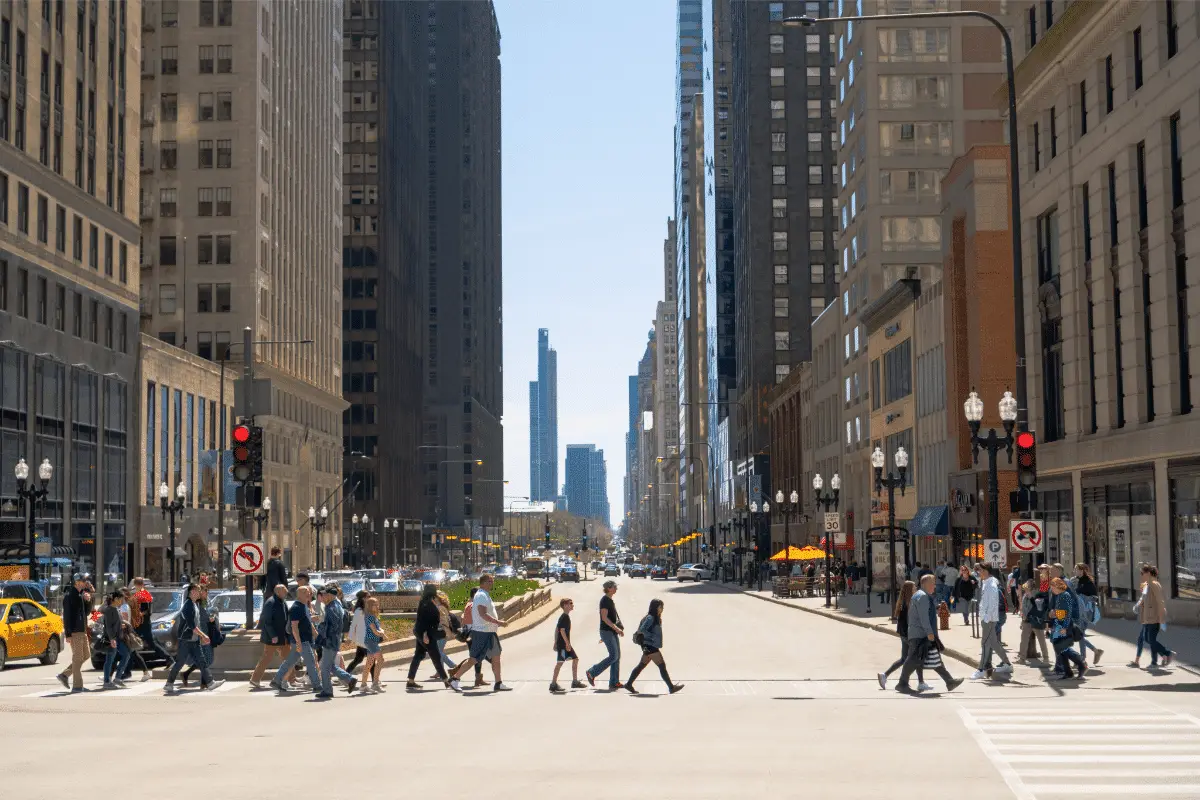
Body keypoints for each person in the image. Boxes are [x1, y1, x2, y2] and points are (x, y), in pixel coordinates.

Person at [894, 574, 963, 694]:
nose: (934, 586)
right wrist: (929, 632)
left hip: (921, 634)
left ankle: (949, 681)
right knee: (912, 659)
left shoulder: (920, 595)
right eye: (932, 583)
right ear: (925, 584)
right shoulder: (923, 597)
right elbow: (923, 617)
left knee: (935, 658)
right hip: (920, 635)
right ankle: (902, 683)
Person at [450, 573, 511, 691]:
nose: (491, 583)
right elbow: (482, 614)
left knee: (496, 657)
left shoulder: (485, 595)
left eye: (492, 581)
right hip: (482, 632)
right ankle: (455, 679)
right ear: (482, 583)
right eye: (489, 581)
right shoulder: (481, 595)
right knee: (474, 659)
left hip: (490, 633)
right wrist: (499, 622)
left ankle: (498, 683)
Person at [164, 584, 223, 693]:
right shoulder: (188, 606)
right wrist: (203, 635)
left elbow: (197, 624)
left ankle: (210, 683)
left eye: (200, 590)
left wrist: (200, 636)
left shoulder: (194, 604)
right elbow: (192, 626)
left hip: (194, 640)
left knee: (202, 661)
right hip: (186, 639)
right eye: (198, 590)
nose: (200, 592)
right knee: (180, 663)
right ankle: (169, 683)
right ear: (192, 592)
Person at [877, 581, 929, 692]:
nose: (916, 588)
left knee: (905, 659)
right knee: (915, 658)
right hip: (909, 634)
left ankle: (884, 675)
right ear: (910, 589)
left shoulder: (902, 602)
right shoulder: (910, 603)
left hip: (903, 634)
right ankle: (920, 682)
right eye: (914, 587)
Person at [625, 599, 684, 694]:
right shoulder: (650, 618)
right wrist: (652, 637)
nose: (662, 609)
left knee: (641, 666)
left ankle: (628, 684)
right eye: (661, 607)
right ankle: (671, 687)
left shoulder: (654, 617)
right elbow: (642, 630)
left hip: (648, 645)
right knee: (662, 666)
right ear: (656, 607)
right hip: (650, 645)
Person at [407, 584, 458, 692]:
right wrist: (425, 635)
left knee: (419, 655)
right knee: (435, 656)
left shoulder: (424, 602)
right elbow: (426, 621)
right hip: (426, 633)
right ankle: (446, 681)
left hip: (420, 631)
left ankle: (410, 681)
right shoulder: (428, 604)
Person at [273, 585, 320, 695]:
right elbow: (294, 627)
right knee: (311, 662)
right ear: (299, 594)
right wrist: (298, 642)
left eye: (309, 592)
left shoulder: (303, 606)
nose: (309, 594)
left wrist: (317, 635)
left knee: (290, 662)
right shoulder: (296, 607)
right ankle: (317, 685)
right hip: (302, 641)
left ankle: (277, 680)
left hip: (303, 640)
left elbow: (308, 623)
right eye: (305, 592)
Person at [972, 563, 1013, 680]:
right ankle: (1007, 664)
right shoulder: (986, 583)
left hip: (989, 620)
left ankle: (981, 669)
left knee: (985, 643)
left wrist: (987, 618)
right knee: (994, 643)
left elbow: (993, 603)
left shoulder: (991, 585)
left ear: (985, 571)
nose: (977, 572)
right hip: (987, 619)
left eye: (979, 570)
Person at [315, 585, 355, 699]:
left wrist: (323, 630)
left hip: (330, 641)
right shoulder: (337, 605)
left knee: (325, 668)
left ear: (330, 595)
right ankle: (350, 679)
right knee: (330, 665)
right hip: (334, 639)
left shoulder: (331, 607)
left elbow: (333, 625)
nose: (323, 596)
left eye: (325, 595)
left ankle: (327, 691)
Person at [1130, 565, 1173, 669]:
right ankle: (1156, 660)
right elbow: (1143, 597)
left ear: (1148, 573)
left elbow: (1160, 601)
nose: (1141, 576)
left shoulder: (1154, 584)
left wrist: (1162, 615)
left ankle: (1166, 654)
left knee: (1149, 639)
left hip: (1153, 617)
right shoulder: (1147, 585)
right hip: (1147, 617)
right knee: (1149, 639)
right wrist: (1137, 605)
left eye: (1142, 573)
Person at [56, 573, 93, 692]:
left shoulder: (80, 595)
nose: (85, 583)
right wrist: (68, 634)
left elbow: (86, 613)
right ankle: (77, 686)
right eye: (83, 581)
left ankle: (65, 675)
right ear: (77, 582)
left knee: (86, 655)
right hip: (75, 632)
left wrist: (88, 600)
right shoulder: (70, 596)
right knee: (77, 658)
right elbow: (67, 616)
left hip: (82, 630)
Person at [585, 580, 625, 690]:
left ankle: (614, 682)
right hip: (608, 631)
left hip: (610, 632)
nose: (616, 588)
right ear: (609, 588)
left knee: (617, 656)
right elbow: (604, 618)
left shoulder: (609, 600)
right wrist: (616, 629)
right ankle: (592, 672)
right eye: (615, 587)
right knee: (613, 656)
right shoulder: (605, 601)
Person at [250, 583, 291, 689]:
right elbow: (267, 621)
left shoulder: (282, 601)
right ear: (278, 591)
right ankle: (255, 679)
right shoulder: (270, 602)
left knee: (288, 657)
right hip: (273, 637)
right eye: (284, 590)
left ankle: (291, 679)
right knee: (267, 658)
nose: (286, 592)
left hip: (282, 636)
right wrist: (273, 635)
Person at [1048, 577, 1087, 680]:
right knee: (1060, 648)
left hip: (1063, 625)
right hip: (1059, 624)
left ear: (1057, 586)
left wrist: (1057, 617)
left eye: (1053, 587)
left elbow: (1067, 613)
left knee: (1063, 647)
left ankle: (1081, 664)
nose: (1052, 590)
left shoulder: (1064, 595)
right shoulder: (1060, 595)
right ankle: (1068, 671)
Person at [1069, 563, 1104, 666]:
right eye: (1075, 569)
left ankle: (1083, 659)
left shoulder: (1088, 582)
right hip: (1077, 612)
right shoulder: (1076, 581)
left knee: (1079, 635)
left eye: (1076, 569)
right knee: (1080, 635)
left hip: (1085, 613)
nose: (1075, 571)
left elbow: (1094, 597)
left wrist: (1083, 597)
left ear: (1082, 571)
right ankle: (1095, 652)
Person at [550, 598, 585, 693]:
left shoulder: (565, 616)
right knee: (559, 663)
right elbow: (561, 630)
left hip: (565, 644)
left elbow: (557, 629)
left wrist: (555, 642)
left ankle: (575, 681)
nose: (572, 605)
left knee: (575, 659)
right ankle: (553, 684)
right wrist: (567, 643)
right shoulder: (564, 617)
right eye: (570, 603)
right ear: (565, 605)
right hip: (563, 645)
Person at [100, 591, 132, 689]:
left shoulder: (116, 609)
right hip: (112, 638)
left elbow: (116, 622)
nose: (122, 601)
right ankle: (106, 681)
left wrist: (123, 624)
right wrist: (112, 639)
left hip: (118, 637)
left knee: (126, 654)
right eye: (120, 599)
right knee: (110, 659)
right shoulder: (110, 610)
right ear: (115, 599)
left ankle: (118, 678)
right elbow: (109, 626)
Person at [1016, 579, 1050, 664]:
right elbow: (1023, 608)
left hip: (1036, 620)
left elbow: (1038, 607)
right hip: (1026, 620)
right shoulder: (1024, 595)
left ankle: (1046, 658)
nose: (1025, 587)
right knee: (1024, 640)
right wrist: (1023, 619)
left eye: (1027, 585)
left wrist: (1031, 596)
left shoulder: (1037, 594)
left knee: (1041, 639)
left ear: (1031, 586)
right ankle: (1022, 658)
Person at [343, 589, 370, 692]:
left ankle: (345, 675)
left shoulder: (366, 609)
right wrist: (350, 638)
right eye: (368, 596)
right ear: (363, 598)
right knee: (371, 660)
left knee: (358, 659)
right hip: (363, 640)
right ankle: (375, 681)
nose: (370, 598)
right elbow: (353, 625)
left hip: (364, 638)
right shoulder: (359, 610)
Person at [360, 596, 387, 692]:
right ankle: (375, 683)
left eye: (377, 604)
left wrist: (381, 632)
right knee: (380, 660)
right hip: (371, 641)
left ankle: (363, 685)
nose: (377, 606)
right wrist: (382, 633)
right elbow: (375, 631)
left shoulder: (373, 616)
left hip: (371, 641)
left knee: (369, 663)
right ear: (370, 606)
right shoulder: (370, 617)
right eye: (374, 605)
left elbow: (377, 629)